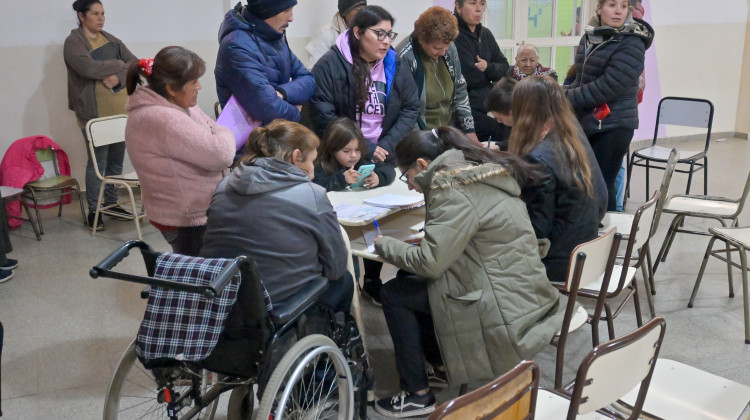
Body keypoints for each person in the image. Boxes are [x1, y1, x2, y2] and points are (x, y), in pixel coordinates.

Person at [372, 126, 566, 418]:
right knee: (407, 280)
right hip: (524, 291)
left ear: (422, 165)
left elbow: (430, 263)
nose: (410, 184)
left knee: (394, 293)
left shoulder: (449, 188)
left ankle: (418, 394)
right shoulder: (476, 172)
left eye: (407, 176)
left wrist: (385, 246)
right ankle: (440, 364)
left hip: (501, 309)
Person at [200, 120, 352, 312]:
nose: (312, 172)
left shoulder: (224, 185)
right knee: (344, 281)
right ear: (296, 156)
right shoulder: (312, 195)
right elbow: (335, 267)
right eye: (311, 162)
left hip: (222, 299)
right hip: (280, 306)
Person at [124, 47, 235, 256]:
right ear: (172, 88)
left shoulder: (178, 104)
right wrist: (225, 132)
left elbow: (215, 129)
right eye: (194, 82)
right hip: (185, 219)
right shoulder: (163, 118)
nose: (200, 86)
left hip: (190, 213)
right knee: (199, 274)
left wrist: (219, 132)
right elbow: (222, 154)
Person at [507, 76, 607, 283]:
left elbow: (536, 232)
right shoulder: (572, 136)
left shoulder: (538, 157)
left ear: (523, 109)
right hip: (587, 251)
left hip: (561, 263)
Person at [564, 0, 654, 211]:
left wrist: (565, 98)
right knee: (587, 184)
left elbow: (608, 87)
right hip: (590, 121)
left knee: (603, 185)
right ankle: (593, 234)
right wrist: (561, 93)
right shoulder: (591, 35)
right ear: (599, 8)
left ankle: (610, 237)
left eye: (623, 6)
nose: (618, 11)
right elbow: (581, 77)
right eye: (612, 4)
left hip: (615, 124)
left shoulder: (632, 42)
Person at [310, 5, 420, 165]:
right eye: (380, 34)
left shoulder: (394, 63)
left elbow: (410, 107)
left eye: (389, 35)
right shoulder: (328, 66)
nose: (387, 41)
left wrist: (386, 146)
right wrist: (365, 148)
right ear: (357, 33)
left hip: (385, 156)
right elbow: (324, 118)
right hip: (342, 159)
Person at [64, 0, 136, 230]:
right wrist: (117, 64)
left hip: (119, 113)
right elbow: (87, 68)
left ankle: (112, 204)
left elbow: (134, 63)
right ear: (81, 16)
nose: (101, 18)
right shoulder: (74, 42)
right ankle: (95, 210)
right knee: (98, 163)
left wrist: (120, 75)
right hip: (93, 116)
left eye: (103, 13)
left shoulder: (111, 40)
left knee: (115, 161)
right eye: (95, 14)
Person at [313, 117, 395, 303]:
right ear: (332, 149)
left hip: (361, 214)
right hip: (335, 222)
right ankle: (352, 289)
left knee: (374, 235)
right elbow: (315, 184)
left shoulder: (360, 162)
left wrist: (378, 177)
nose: (353, 156)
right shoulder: (321, 166)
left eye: (357, 150)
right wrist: (340, 180)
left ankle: (371, 281)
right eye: (346, 151)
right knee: (349, 253)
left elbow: (388, 169)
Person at [215, 0, 315, 125]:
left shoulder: (275, 38)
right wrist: (297, 110)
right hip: (253, 141)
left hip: (278, 134)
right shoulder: (236, 46)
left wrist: (282, 93)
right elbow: (266, 108)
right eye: (286, 10)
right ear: (266, 11)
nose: (291, 18)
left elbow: (309, 79)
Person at [396, 6, 477, 142]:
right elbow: (406, 110)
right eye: (437, 48)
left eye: (446, 47)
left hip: (447, 130)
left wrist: (469, 130)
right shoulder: (405, 57)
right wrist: (424, 143)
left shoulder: (449, 49)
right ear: (422, 39)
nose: (443, 52)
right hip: (420, 133)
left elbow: (460, 88)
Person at [453, 0, 510, 144]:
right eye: (472, 3)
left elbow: (504, 67)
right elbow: (469, 75)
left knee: (513, 128)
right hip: (466, 106)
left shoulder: (486, 34)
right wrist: (490, 73)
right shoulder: (454, 36)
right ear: (458, 7)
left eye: (482, 3)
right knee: (501, 132)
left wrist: (488, 67)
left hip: (490, 102)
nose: (479, 9)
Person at [305, 0, 367, 69]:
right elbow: (314, 69)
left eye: (364, 9)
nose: (362, 14)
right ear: (345, 12)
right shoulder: (325, 33)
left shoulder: (367, 32)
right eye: (357, 9)